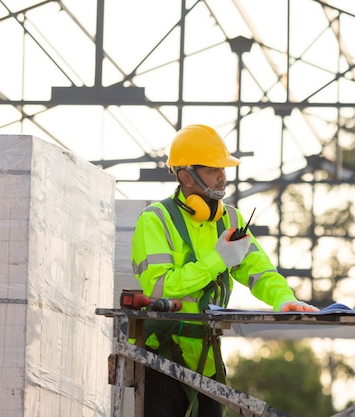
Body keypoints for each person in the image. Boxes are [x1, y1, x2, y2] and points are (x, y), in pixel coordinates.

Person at [131, 124, 318, 417]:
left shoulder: (230, 217)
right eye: (212, 170)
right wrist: (218, 259)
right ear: (184, 176)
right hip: (163, 358)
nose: (222, 177)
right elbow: (159, 286)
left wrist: (284, 299)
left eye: (223, 168)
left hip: (209, 359)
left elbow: (259, 270)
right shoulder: (155, 219)